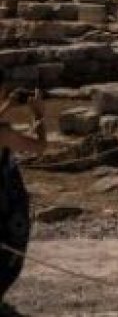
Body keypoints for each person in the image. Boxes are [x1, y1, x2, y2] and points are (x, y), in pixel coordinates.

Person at [0, 88, 47, 303]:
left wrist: (8, 105)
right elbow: (39, 147)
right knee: (10, 250)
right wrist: (38, 114)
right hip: (4, 204)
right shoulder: (3, 133)